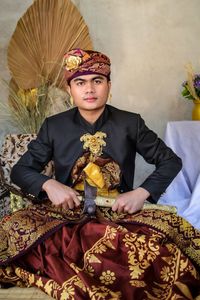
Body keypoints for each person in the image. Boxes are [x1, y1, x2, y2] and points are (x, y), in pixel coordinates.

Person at [0, 48, 200, 299]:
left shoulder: (131, 123)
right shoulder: (54, 126)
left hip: (118, 212)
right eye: (80, 82)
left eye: (97, 81)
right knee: (11, 228)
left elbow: (170, 161)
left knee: (162, 243)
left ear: (109, 85)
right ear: (70, 90)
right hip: (66, 215)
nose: (89, 89)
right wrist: (49, 184)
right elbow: (21, 170)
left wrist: (141, 192)